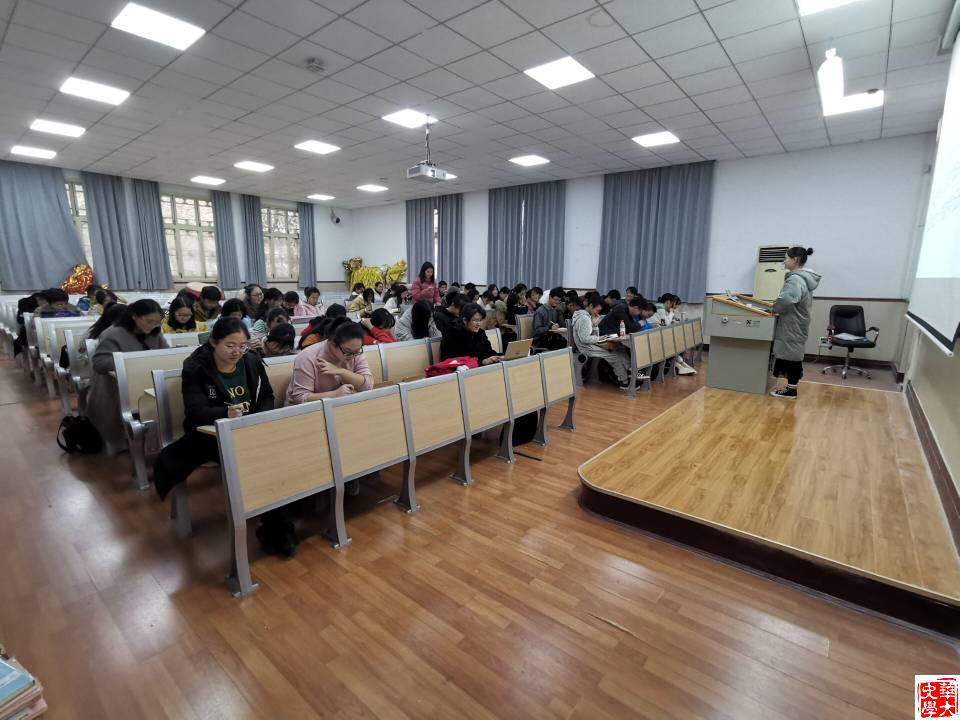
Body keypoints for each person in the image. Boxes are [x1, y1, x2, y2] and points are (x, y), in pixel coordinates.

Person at [151, 318, 296, 557]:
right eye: (230, 345)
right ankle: (276, 529)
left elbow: (266, 395)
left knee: (286, 448)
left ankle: (287, 508)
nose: (237, 351)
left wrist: (260, 418)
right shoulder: (196, 367)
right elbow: (195, 412)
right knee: (261, 461)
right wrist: (224, 413)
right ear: (213, 342)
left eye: (242, 345)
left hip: (250, 429)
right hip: (211, 434)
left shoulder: (251, 361)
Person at [87, 300, 167, 451]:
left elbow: (166, 355)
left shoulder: (156, 334)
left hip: (149, 382)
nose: (153, 326)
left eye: (157, 322)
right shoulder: (112, 334)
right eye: (149, 321)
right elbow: (99, 362)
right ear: (134, 316)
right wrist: (131, 361)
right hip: (120, 385)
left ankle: (164, 439)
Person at [770, 247, 821, 399]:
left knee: (792, 357)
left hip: (793, 323)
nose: (784, 262)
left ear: (795, 260)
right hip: (797, 322)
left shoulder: (795, 279)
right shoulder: (803, 278)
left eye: (786, 258)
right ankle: (791, 388)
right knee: (793, 354)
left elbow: (787, 299)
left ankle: (791, 390)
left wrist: (774, 308)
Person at [287, 320, 373, 404]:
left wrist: (342, 372)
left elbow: (368, 386)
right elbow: (300, 398)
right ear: (332, 344)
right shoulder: (307, 357)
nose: (352, 356)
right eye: (347, 352)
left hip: (342, 405)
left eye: (357, 351)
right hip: (308, 410)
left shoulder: (355, 351)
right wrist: (335, 394)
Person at [571, 293, 633, 389]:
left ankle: (628, 374)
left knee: (617, 349)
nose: (597, 313)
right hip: (586, 347)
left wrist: (595, 326)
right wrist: (600, 338)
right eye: (597, 310)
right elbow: (584, 338)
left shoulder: (587, 316)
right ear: (591, 306)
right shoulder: (584, 318)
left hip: (589, 344)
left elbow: (591, 335)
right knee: (614, 356)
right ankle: (624, 381)